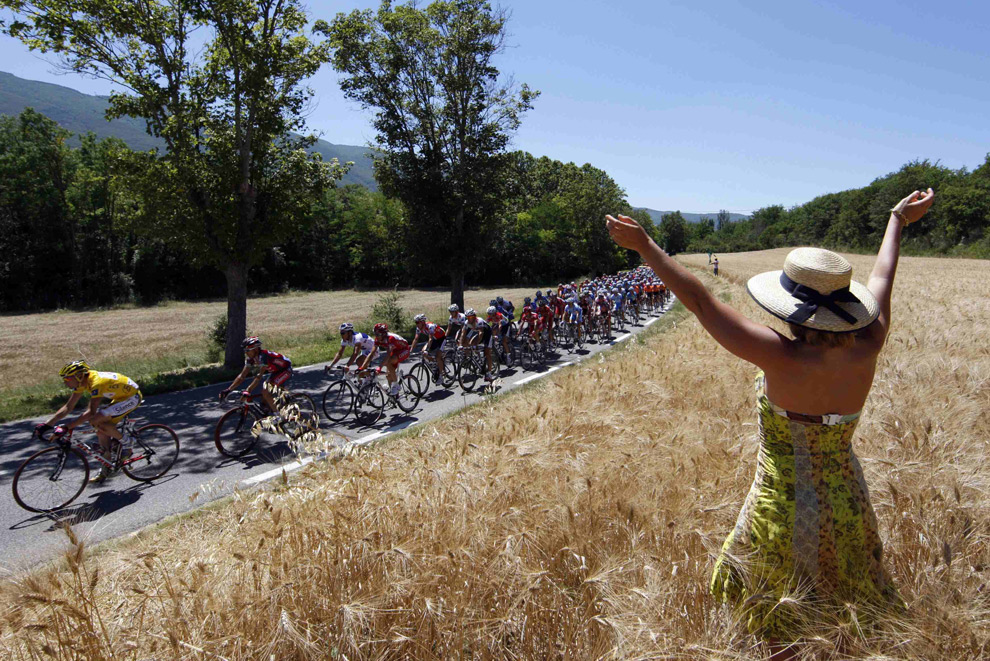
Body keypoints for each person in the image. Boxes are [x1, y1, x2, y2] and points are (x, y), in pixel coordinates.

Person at [605, 188, 935, 654]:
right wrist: (897, 220)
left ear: (792, 307)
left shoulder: (779, 355)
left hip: (782, 509)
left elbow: (700, 301)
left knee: (781, 619)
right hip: (849, 502)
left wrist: (644, 246)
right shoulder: (870, 344)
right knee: (846, 611)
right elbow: (882, 275)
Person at [38, 361, 142, 483]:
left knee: (96, 420)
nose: (65, 381)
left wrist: (67, 427)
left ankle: (128, 442)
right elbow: (68, 407)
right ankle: (106, 467)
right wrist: (47, 424)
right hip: (120, 397)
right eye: (64, 379)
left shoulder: (97, 382)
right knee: (100, 431)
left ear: (79, 376)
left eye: (67, 378)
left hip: (132, 397)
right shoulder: (82, 381)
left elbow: (90, 412)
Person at [220, 337, 292, 416]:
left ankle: (278, 416)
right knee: (264, 399)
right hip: (275, 371)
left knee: (265, 391)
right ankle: (269, 410)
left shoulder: (263, 357)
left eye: (248, 351)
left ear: (256, 349)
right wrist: (228, 389)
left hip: (285, 369)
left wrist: (248, 390)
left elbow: (259, 376)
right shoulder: (251, 359)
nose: (246, 353)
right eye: (245, 351)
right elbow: (242, 375)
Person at [372, 323, 411, 397]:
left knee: (389, 362)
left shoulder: (391, 338)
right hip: (395, 351)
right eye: (375, 334)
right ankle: (395, 396)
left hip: (404, 350)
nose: (376, 336)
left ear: (383, 334)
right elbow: (372, 353)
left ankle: (396, 385)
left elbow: (388, 355)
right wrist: (363, 366)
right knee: (388, 376)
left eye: (377, 334)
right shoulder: (378, 339)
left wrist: (379, 368)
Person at [409, 313, 448, 379]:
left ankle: (441, 375)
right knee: (423, 352)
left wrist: (427, 350)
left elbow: (430, 339)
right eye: (416, 323)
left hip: (441, 338)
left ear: (422, 322)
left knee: (438, 357)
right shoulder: (418, 328)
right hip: (434, 339)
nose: (416, 324)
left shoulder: (430, 326)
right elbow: (415, 339)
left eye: (417, 322)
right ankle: (434, 363)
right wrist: (410, 350)